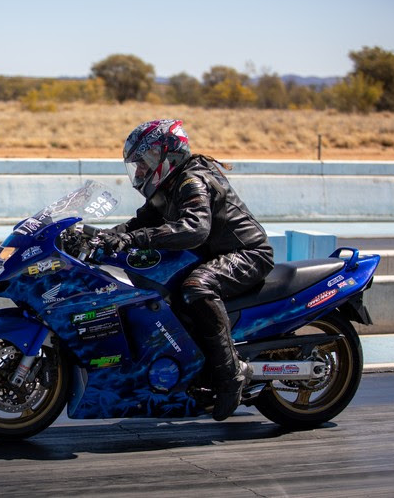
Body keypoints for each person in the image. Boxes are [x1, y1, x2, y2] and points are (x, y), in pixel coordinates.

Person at [99, 119, 274, 421]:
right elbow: (138, 224)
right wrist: (102, 237)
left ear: (167, 155)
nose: (139, 171)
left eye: (144, 162)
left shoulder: (191, 180)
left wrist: (135, 239)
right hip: (214, 255)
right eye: (136, 165)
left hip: (246, 253)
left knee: (196, 286)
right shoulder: (166, 187)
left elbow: (195, 229)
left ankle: (230, 374)